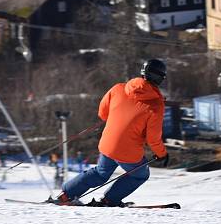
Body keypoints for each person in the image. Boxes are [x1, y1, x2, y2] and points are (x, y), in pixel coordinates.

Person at [55, 59, 168, 207]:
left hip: (108, 144)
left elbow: (103, 113)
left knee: (100, 173)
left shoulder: (118, 88)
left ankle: (65, 195)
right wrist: (162, 154)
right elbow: (153, 138)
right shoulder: (155, 105)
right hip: (129, 152)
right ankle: (110, 199)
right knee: (140, 174)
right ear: (160, 78)